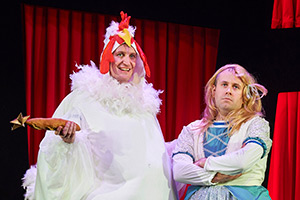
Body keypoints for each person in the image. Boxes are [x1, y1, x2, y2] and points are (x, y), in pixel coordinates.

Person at [22, 11, 178, 200]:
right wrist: (69, 140)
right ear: (108, 57)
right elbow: (60, 145)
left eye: (131, 56)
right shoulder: (85, 97)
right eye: (120, 54)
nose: (126, 62)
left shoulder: (144, 104)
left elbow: (154, 151)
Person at [172, 64, 272, 200]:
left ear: (245, 95)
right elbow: (179, 172)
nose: (229, 91)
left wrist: (206, 163)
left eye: (235, 87)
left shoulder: (255, 124)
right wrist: (212, 177)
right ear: (214, 91)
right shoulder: (192, 130)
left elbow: (243, 161)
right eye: (224, 85)